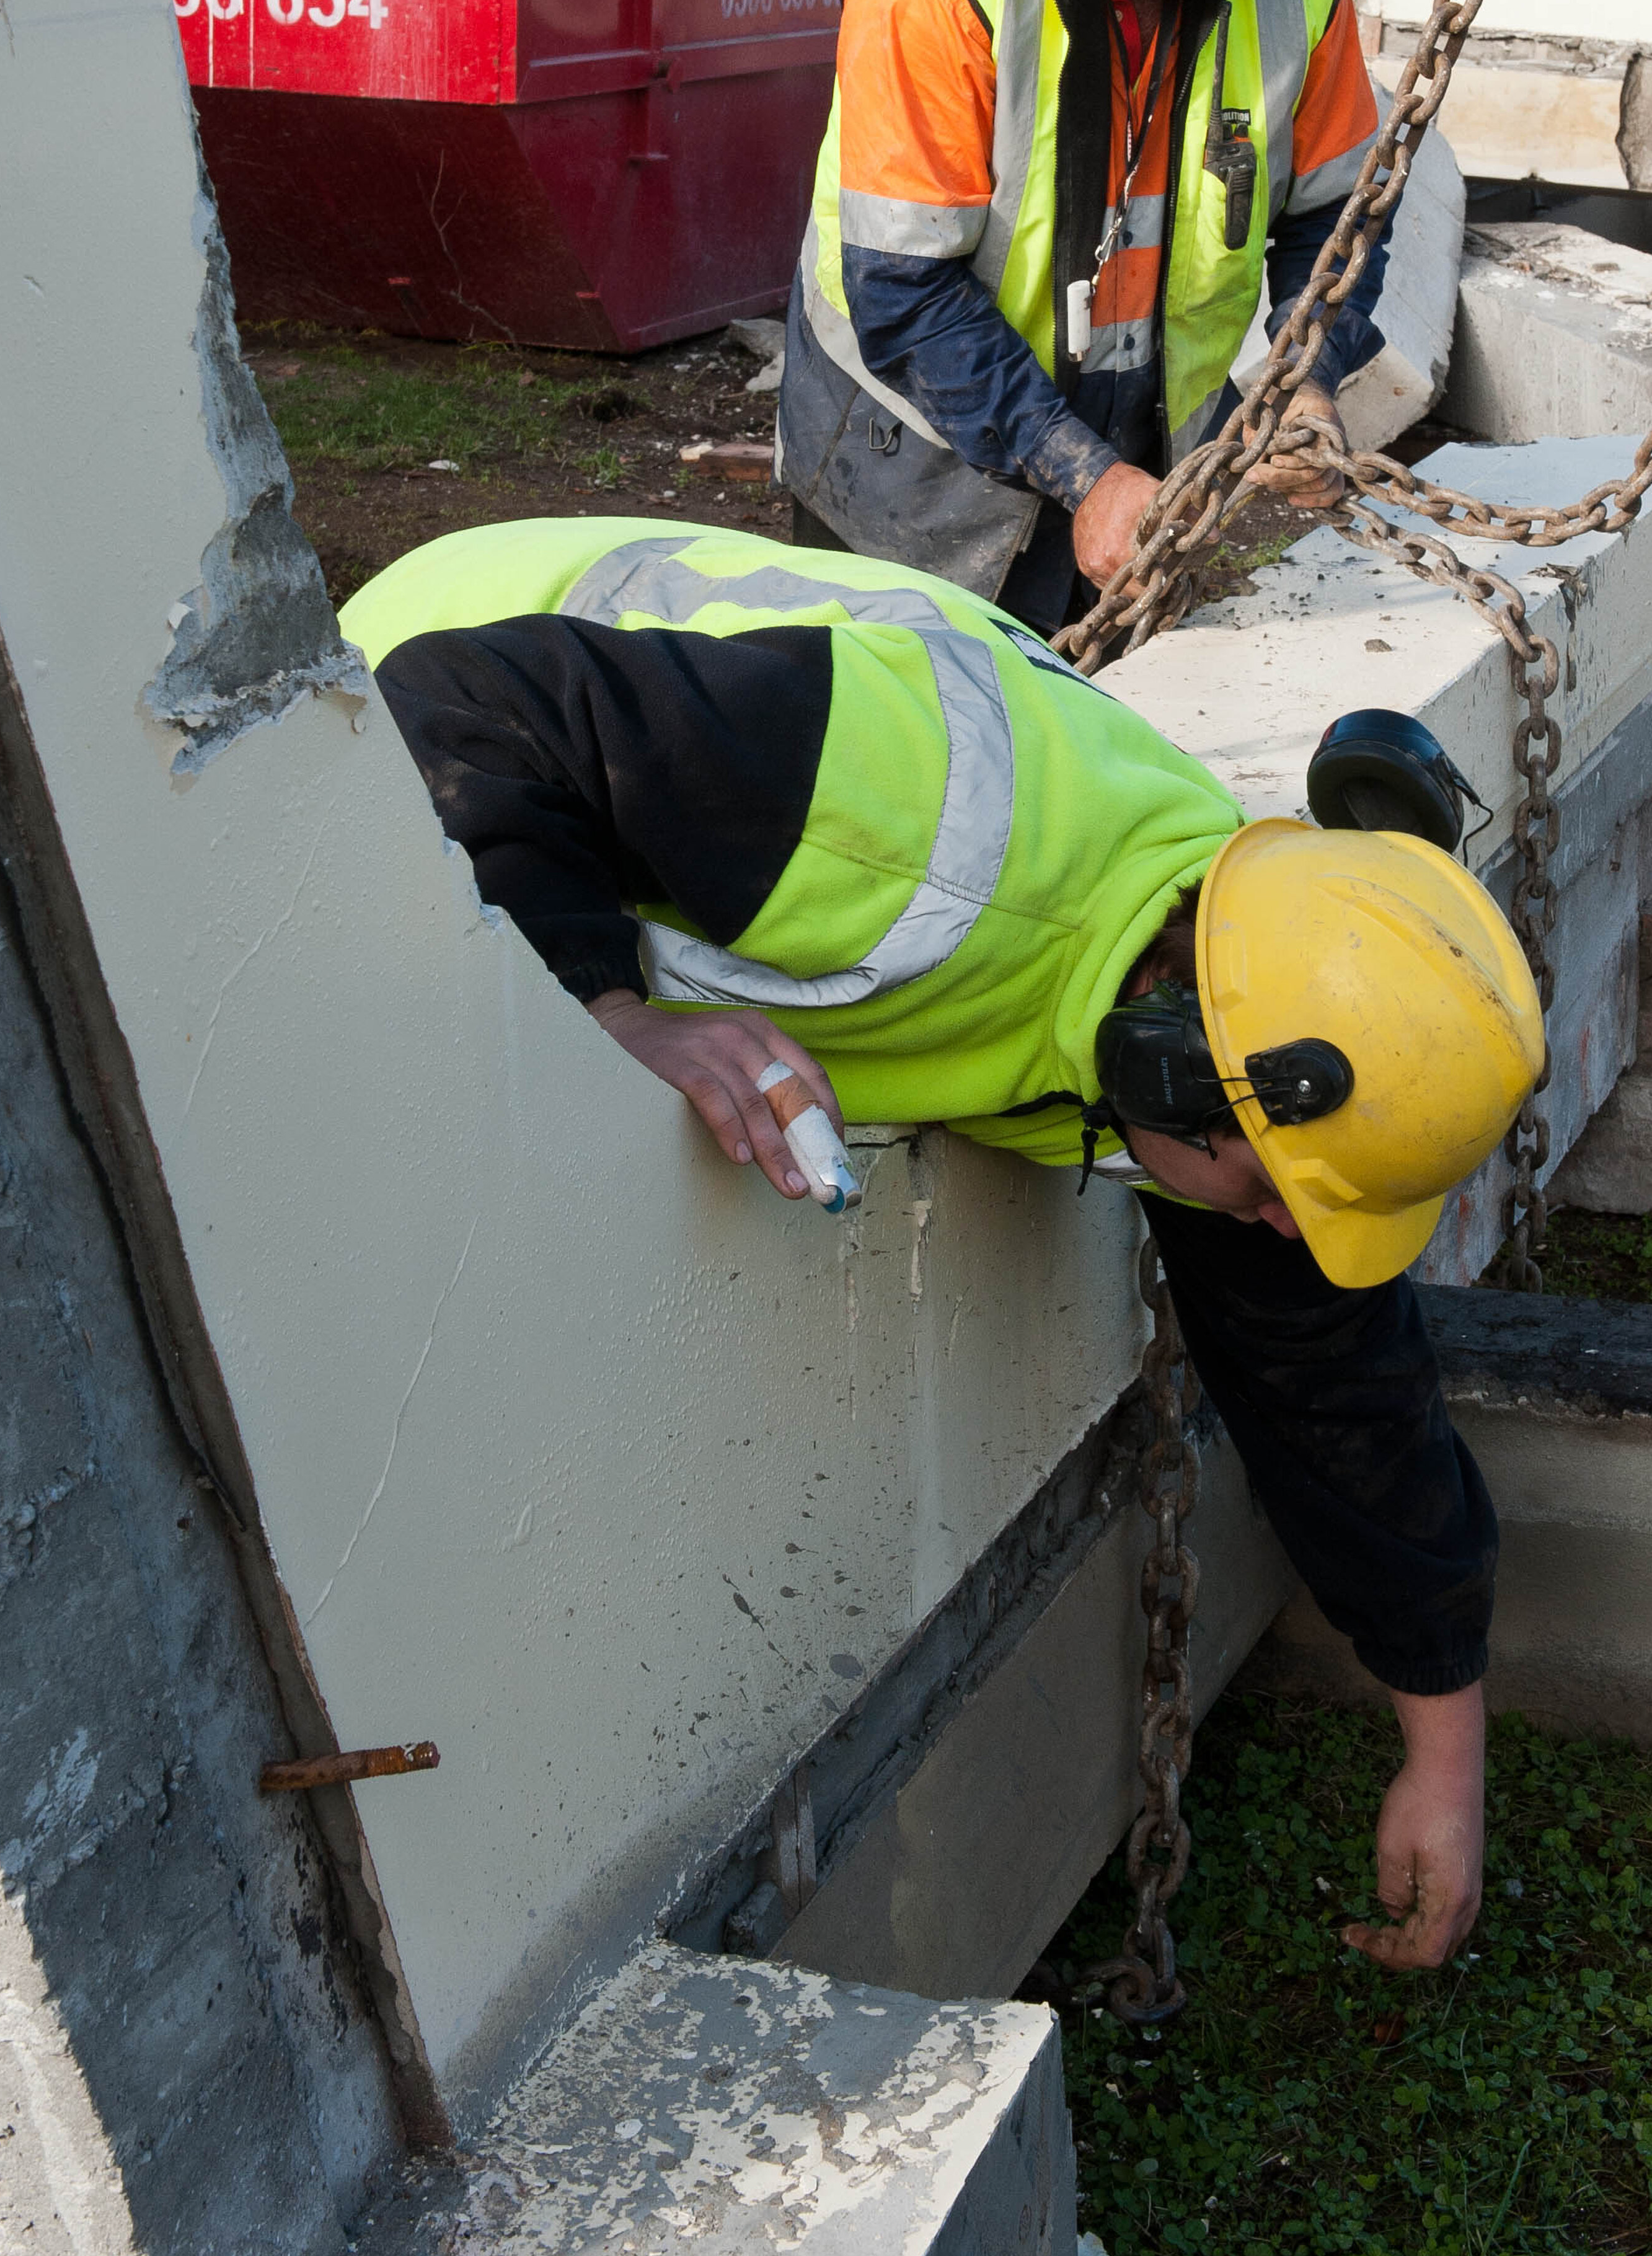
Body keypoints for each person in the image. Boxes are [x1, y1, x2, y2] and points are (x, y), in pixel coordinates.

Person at [340, 512, 1545, 1975]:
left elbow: (1332, 1378)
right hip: (390, 711)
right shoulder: (908, 823)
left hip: (623, 766)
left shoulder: (1233, 972)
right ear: (1171, 1057)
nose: (1285, 1229)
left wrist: (1444, 1748)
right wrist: (609, 1009)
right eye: (1276, 1187)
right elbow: (458, 716)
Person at [777, 0, 1385, 633]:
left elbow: (1340, 220)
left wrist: (1306, 375)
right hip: (910, 472)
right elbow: (905, 295)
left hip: (1138, 456)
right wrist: (1080, 474)